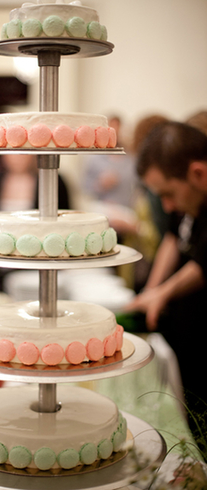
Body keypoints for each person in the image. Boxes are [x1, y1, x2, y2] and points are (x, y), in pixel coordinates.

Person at [124, 121, 207, 453]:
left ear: (198, 173)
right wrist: (152, 291)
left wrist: (163, 293)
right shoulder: (190, 201)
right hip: (185, 331)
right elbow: (173, 239)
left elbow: (204, 264)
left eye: (168, 194)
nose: (168, 206)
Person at [0, 152, 71, 291]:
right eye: (12, 152)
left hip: (36, 269)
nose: (17, 157)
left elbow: (66, 223)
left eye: (23, 152)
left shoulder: (53, 182)